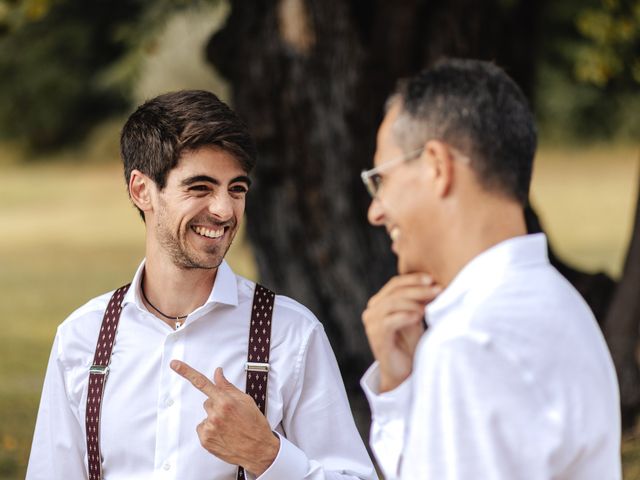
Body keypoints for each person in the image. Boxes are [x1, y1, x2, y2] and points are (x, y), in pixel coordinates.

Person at [27, 90, 376, 480]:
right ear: (142, 190)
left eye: (237, 189)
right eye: (200, 187)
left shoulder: (291, 335)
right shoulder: (82, 337)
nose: (225, 210)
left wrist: (268, 457)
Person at [359, 59, 621, 479]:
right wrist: (399, 385)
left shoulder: (469, 342)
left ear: (436, 166)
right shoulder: (562, 305)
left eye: (380, 181)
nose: (375, 211)